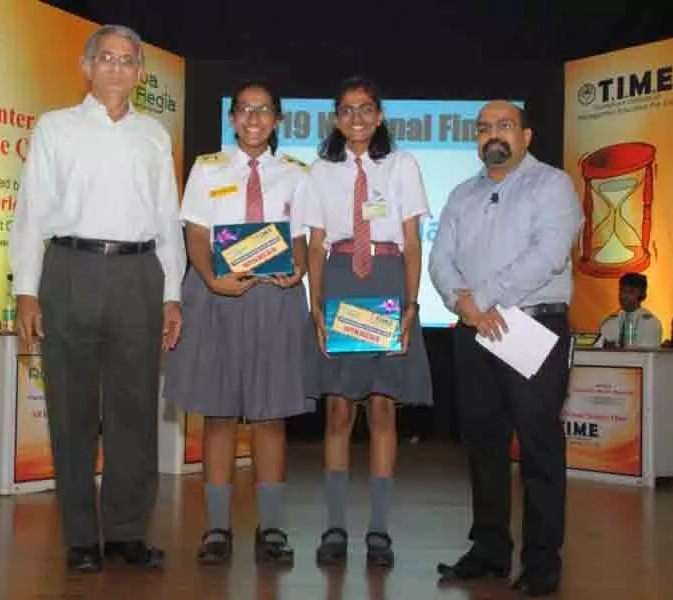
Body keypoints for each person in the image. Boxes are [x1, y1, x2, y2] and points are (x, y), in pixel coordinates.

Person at [9, 25, 186, 573]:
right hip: (70, 269)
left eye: (127, 60)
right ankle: (81, 536)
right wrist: (26, 290)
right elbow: (31, 211)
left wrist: (172, 295)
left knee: (135, 410)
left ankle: (129, 532)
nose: (116, 67)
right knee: (72, 411)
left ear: (138, 72)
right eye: (106, 58)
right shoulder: (55, 127)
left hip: (139, 276)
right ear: (87, 66)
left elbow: (166, 221)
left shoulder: (154, 135)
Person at [429, 100, 583, 597]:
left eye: (504, 125)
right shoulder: (460, 194)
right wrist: (464, 304)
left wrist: (483, 299)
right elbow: (440, 260)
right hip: (473, 331)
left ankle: (541, 560)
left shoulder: (552, 185)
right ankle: (490, 549)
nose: (493, 134)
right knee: (482, 444)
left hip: (532, 328)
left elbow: (548, 254)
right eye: (484, 128)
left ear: (527, 135)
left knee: (538, 446)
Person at [164, 79, 314, 566]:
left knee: (271, 416)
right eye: (245, 110)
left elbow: (305, 237)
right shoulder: (208, 169)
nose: (253, 119)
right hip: (216, 296)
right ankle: (217, 528)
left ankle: (271, 529)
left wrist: (297, 265)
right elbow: (197, 233)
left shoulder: (296, 173)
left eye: (264, 110)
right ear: (232, 119)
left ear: (276, 120)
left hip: (275, 298)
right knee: (219, 414)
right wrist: (210, 278)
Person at [299, 76, 433, 569]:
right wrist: (315, 306)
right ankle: (334, 527)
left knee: (382, 410)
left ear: (379, 117)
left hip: (388, 282)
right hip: (339, 281)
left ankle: (379, 530)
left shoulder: (403, 164)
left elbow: (414, 241)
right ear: (336, 119)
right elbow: (314, 244)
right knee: (338, 411)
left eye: (365, 109)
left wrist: (412, 305)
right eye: (347, 110)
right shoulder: (319, 170)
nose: (356, 118)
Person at [597, 273, 662, 348]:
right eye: (621, 290)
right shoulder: (609, 321)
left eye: (630, 292)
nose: (623, 296)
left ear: (642, 294)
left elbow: (648, 353)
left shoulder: (651, 322)